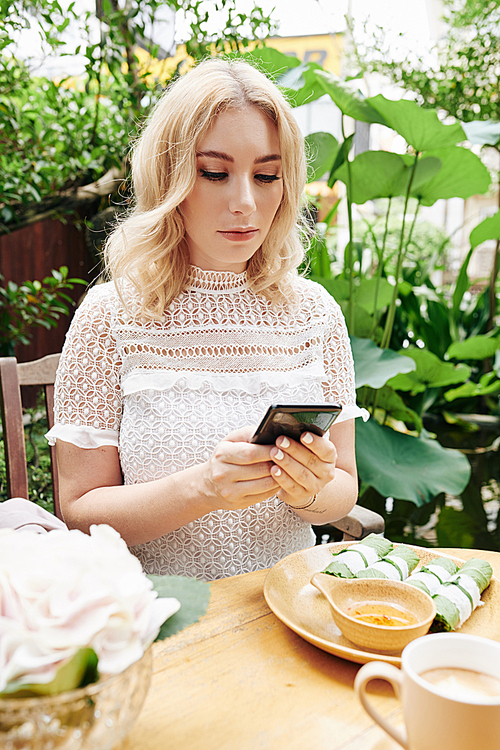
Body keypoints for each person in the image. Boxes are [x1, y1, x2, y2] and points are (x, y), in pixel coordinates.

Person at [46, 57, 367, 581]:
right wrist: (204, 488)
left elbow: (344, 487)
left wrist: (308, 490)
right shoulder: (110, 318)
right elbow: (78, 512)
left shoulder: (314, 313)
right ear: (169, 176)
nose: (245, 202)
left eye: (266, 175)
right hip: (161, 620)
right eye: (215, 173)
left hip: (287, 612)